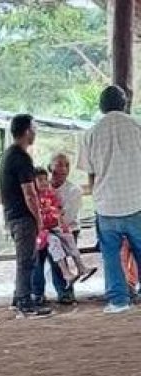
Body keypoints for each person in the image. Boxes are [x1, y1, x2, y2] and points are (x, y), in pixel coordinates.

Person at [77, 84, 141, 314]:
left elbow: (90, 173)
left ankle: (118, 301)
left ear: (101, 106)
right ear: (124, 104)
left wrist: (97, 197)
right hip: (136, 201)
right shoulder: (137, 126)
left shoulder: (91, 133)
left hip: (106, 205)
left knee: (111, 256)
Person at [0, 113, 52, 317]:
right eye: (34, 129)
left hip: (12, 214)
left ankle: (19, 295)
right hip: (22, 216)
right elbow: (29, 193)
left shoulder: (9, 154)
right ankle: (24, 300)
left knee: (27, 257)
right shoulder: (21, 158)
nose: (35, 133)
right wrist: (38, 218)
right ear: (27, 131)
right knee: (26, 259)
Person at [35, 168, 94, 285]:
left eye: (45, 179)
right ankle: (65, 272)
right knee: (55, 242)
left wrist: (61, 221)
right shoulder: (34, 198)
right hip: (42, 231)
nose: (44, 182)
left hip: (54, 225)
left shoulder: (50, 194)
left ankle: (80, 266)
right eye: (40, 180)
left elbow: (57, 208)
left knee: (69, 237)